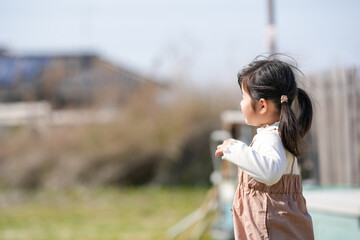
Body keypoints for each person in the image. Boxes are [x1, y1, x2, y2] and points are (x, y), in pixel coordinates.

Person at [215, 55, 315, 240]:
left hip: (269, 228)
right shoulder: (275, 134)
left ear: (262, 105)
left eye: (243, 97)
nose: (240, 103)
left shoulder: (272, 138)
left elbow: (270, 173)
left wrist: (234, 149)